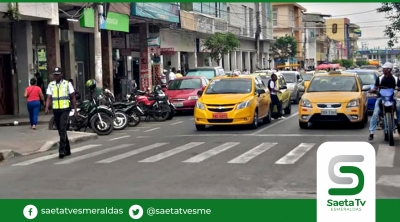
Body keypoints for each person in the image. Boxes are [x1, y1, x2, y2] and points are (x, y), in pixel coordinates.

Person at [45, 67, 77, 159]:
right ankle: (68, 149)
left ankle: (61, 150)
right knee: (60, 130)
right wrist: (47, 107)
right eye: (55, 75)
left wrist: (75, 110)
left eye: (58, 74)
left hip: (65, 109)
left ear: (61, 74)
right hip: (56, 110)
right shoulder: (51, 85)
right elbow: (49, 97)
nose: (56, 76)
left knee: (62, 128)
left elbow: (73, 97)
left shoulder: (67, 84)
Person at [368, 62, 400, 140]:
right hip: (381, 98)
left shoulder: (395, 78)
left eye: (385, 68)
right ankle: (371, 132)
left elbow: (399, 86)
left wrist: (398, 89)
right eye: (383, 68)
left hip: (392, 98)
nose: (383, 70)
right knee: (375, 113)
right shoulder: (380, 78)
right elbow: (376, 87)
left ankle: (399, 123)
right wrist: (373, 90)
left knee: (398, 107)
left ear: (389, 70)